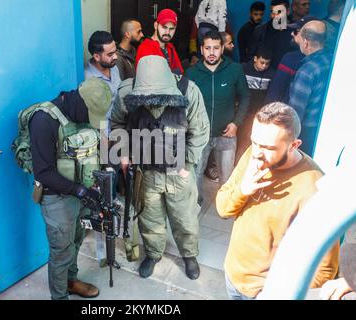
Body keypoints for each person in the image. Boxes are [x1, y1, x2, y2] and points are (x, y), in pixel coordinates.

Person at [216, 102, 339, 300]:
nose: (257, 151)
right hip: (233, 276)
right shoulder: (253, 156)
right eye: (254, 141)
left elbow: (325, 269)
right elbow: (222, 208)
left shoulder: (314, 188)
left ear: (294, 145)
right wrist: (243, 190)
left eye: (267, 147)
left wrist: (279, 294)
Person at [110, 55, 209, 280]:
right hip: (145, 169)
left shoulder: (188, 91)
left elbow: (201, 130)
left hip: (179, 168)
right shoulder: (127, 92)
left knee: (184, 216)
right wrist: (123, 153)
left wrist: (187, 163)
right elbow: (116, 123)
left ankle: (189, 254)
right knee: (149, 216)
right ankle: (153, 253)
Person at [29, 77, 112, 300]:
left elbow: (94, 150)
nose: (90, 121)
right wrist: (81, 191)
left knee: (75, 241)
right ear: (80, 101)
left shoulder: (82, 114)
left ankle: (71, 282)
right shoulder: (43, 120)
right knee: (60, 252)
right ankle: (59, 297)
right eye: (89, 115)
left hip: (80, 192)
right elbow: (43, 172)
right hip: (56, 198)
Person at [186, 30, 250, 203]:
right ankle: (196, 202)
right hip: (200, 135)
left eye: (216, 48)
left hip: (226, 134)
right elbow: (184, 103)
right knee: (196, 172)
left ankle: (226, 204)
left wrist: (236, 123)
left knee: (227, 175)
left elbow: (245, 97)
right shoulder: (192, 73)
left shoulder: (235, 70)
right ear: (201, 49)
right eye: (208, 48)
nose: (211, 52)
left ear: (222, 49)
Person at [288, 20, 331, 156]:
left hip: (306, 133)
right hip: (326, 127)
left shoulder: (307, 72)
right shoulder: (331, 60)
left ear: (305, 43)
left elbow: (296, 113)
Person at [263, 16, 318, 104]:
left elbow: (276, 91)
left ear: (307, 36)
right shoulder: (325, 60)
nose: (292, 33)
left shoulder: (291, 59)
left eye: (296, 31)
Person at [236, 46, 275, 163]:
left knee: (247, 140)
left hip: (257, 113)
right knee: (237, 138)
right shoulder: (243, 69)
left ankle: (240, 164)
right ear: (255, 59)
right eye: (262, 62)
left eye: (267, 64)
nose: (264, 66)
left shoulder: (271, 74)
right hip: (241, 111)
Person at [135, 9, 184, 74]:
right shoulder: (145, 48)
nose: (167, 32)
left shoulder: (170, 47)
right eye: (164, 27)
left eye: (171, 29)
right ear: (156, 26)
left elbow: (180, 73)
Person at [249, 0, 296, 69]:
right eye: (272, 12)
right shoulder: (261, 31)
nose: (275, 16)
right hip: (266, 75)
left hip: (288, 75)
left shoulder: (295, 32)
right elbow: (251, 56)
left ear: (288, 11)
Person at [85, 31, 121, 99]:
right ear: (96, 57)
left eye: (115, 52)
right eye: (110, 54)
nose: (116, 57)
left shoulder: (113, 66)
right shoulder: (88, 80)